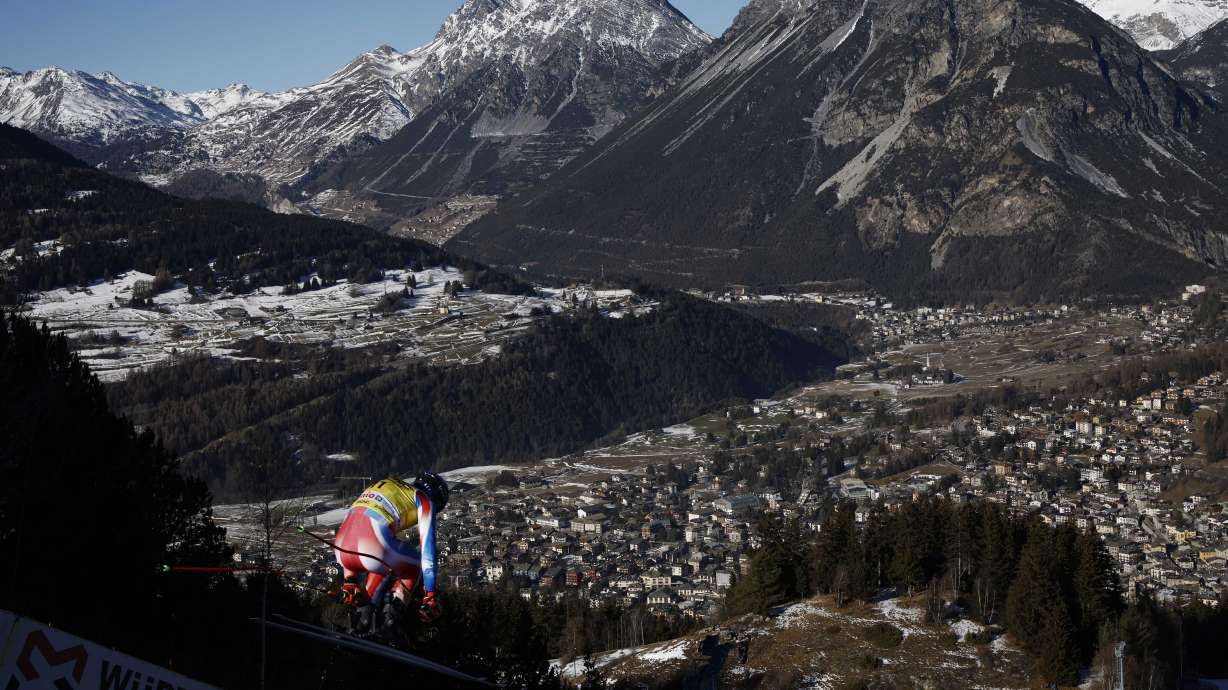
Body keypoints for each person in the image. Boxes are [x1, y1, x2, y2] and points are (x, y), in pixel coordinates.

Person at [334, 472, 449, 626]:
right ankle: (391, 621)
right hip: (371, 544)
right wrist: (430, 593)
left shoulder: (389, 485)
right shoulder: (424, 499)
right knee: (415, 564)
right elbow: (427, 549)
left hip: (341, 548)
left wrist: (350, 579)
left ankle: (363, 618)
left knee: (385, 564)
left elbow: (354, 526)